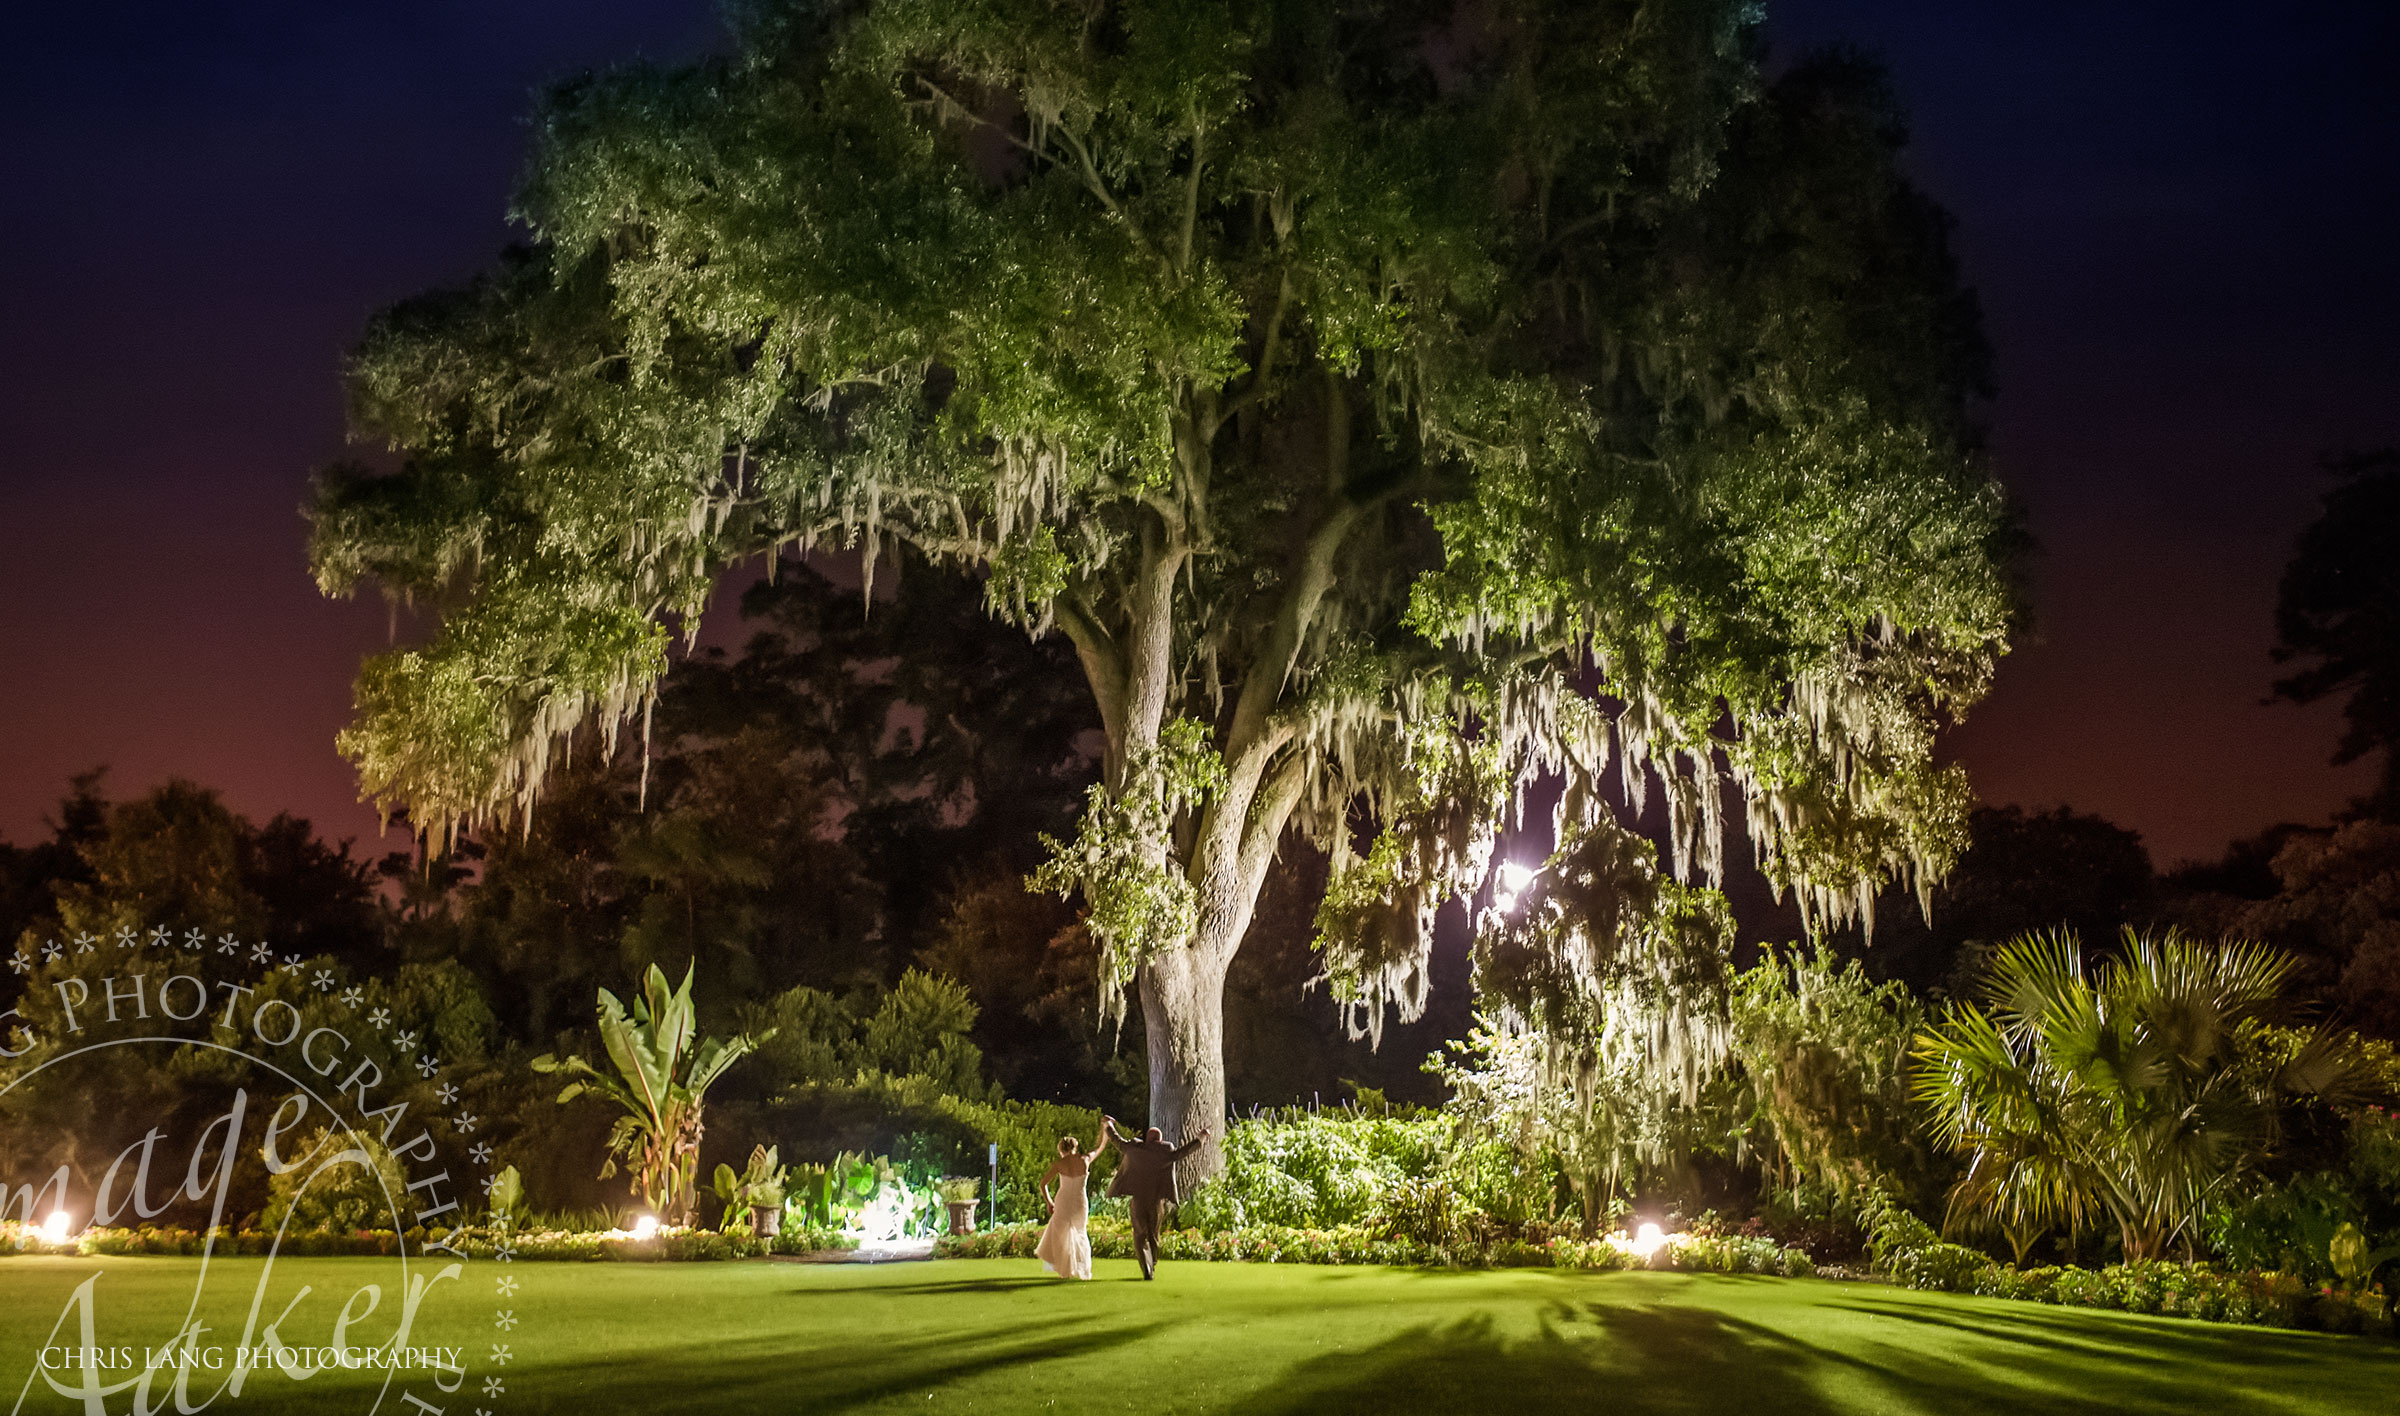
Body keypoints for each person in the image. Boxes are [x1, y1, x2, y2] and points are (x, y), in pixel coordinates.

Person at [1101, 1115, 1209, 1280]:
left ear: (1147, 1139)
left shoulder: (1134, 1149)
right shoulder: (1165, 1154)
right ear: (1160, 1140)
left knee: (1140, 1234)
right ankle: (1152, 1263)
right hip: (1157, 1200)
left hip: (1137, 1200)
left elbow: (1117, 1140)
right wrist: (1201, 1137)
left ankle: (1147, 1267)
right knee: (1153, 1234)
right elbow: (1184, 1151)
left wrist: (1108, 1125)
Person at [1034, 1129, 1108, 1280]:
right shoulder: (1085, 1159)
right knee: (1080, 1233)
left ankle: (1065, 1269)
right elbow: (1100, 1147)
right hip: (1080, 1201)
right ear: (1075, 1147)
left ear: (1061, 1149)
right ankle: (1083, 1269)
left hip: (1063, 1201)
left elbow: (1042, 1184)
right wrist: (1105, 1130)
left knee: (1060, 1235)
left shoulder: (1059, 1164)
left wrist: (1049, 1202)